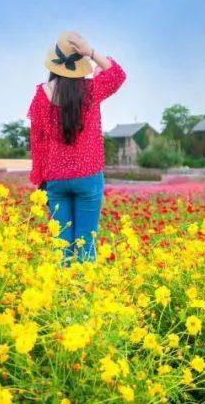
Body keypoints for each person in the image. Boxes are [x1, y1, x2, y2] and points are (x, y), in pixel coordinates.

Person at [27, 31, 126, 262]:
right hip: (88, 176)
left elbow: (38, 143)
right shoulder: (91, 91)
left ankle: (63, 295)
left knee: (62, 247)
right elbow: (118, 75)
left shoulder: (41, 95)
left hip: (56, 179)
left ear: (54, 64)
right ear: (80, 65)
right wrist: (91, 52)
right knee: (86, 243)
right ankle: (83, 296)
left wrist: (41, 180)